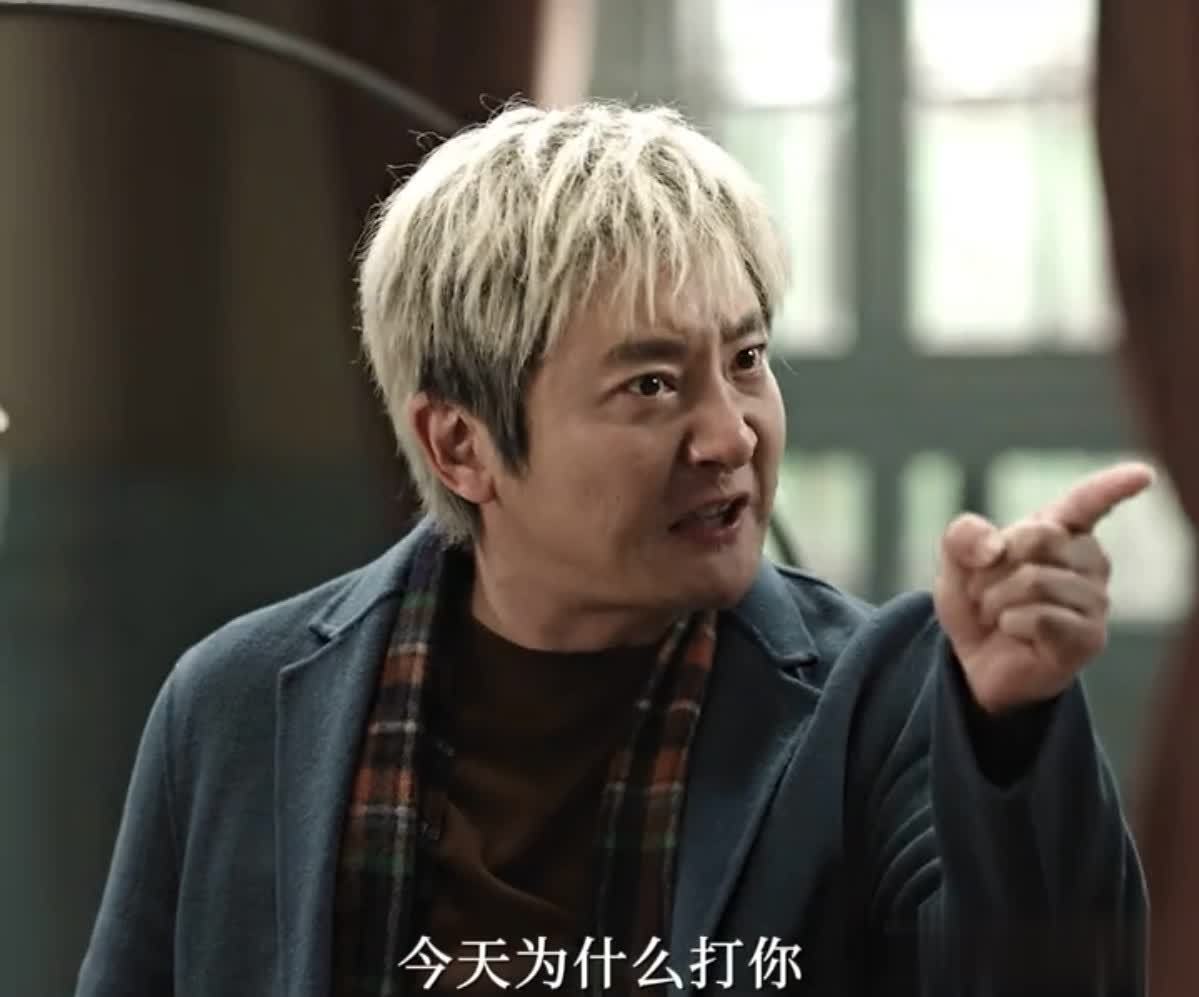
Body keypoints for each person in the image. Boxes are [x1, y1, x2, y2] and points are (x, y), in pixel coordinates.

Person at [76, 101, 1149, 996]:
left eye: (746, 359)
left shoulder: (885, 702)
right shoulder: (238, 704)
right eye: (650, 383)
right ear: (460, 445)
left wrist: (1009, 729)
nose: (729, 435)